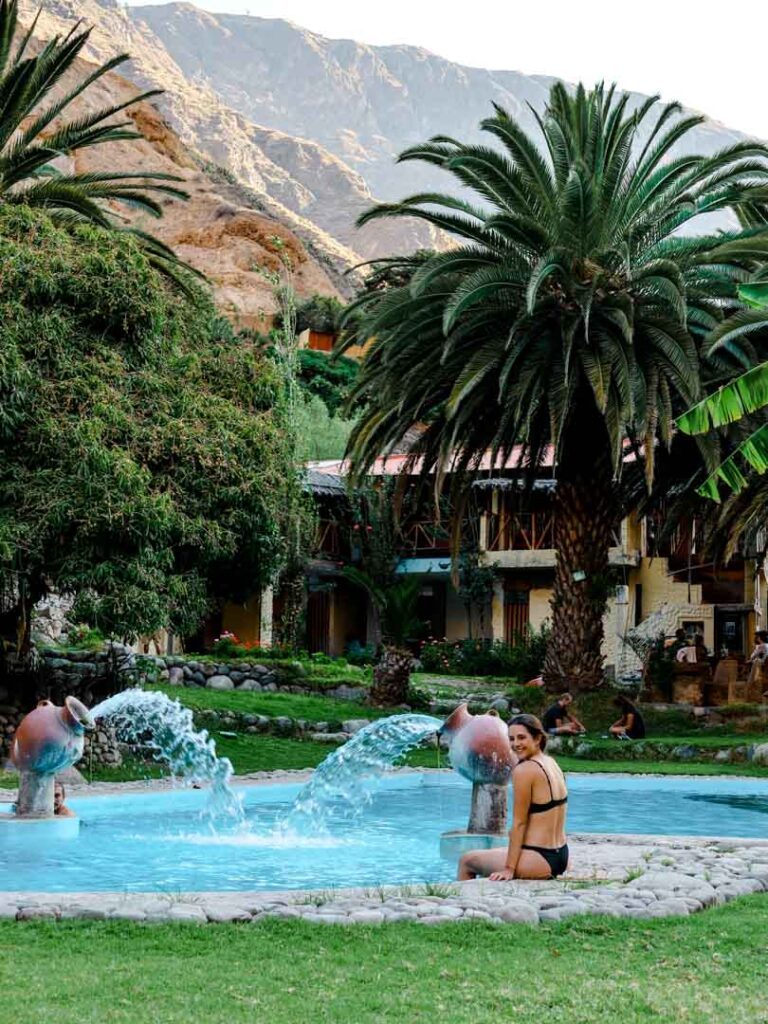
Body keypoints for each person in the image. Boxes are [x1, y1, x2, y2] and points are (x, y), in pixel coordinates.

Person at [457, 714, 569, 881]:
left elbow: (519, 823)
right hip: (560, 855)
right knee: (495, 852)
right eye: (511, 739)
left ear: (537, 738)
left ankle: (464, 904)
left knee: (467, 860)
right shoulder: (551, 763)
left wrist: (509, 869)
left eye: (522, 737)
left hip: (539, 858)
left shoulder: (525, 770)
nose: (516, 744)